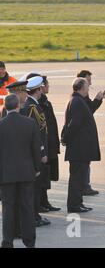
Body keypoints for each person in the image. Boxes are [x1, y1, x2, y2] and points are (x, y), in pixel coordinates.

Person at [0, 94, 41, 248]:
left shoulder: (1, 125)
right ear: (18, 106)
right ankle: (29, 241)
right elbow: (35, 149)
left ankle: (7, 241)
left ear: (6, 107)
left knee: (8, 209)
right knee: (27, 208)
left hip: (6, 175)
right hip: (26, 173)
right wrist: (37, 168)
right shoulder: (29, 123)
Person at [62, 78, 101, 213]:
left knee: (78, 178)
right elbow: (74, 125)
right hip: (79, 149)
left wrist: (98, 100)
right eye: (87, 87)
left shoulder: (77, 100)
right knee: (77, 179)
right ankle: (74, 205)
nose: (88, 89)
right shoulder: (77, 102)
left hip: (80, 148)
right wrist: (65, 138)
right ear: (82, 88)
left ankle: (77, 203)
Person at [22, 76, 51, 227]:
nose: (42, 92)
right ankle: (34, 216)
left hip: (36, 152)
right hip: (35, 154)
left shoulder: (34, 105)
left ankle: (35, 215)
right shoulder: (31, 108)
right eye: (40, 89)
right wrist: (41, 152)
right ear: (38, 90)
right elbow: (35, 134)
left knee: (36, 186)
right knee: (34, 187)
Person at [76, 70, 105, 196]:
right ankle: (84, 186)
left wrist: (98, 99)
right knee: (84, 163)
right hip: (83, 137)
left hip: (85, 135)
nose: (90, 83)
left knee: (86, 162)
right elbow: (89, 111)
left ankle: (85, 185)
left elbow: (89, 110)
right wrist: (97, 99)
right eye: (88, 80)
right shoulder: (80, 97)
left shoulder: (83, 96)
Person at [38, 76, 61, 212]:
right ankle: (41, 203)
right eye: (47, 84)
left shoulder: (46, 102)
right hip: (44, 146)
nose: (48, 87)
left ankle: (45, 201)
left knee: (46, 176)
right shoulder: (38, 105)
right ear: (41, 87)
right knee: (42, 176)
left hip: (50, 145)